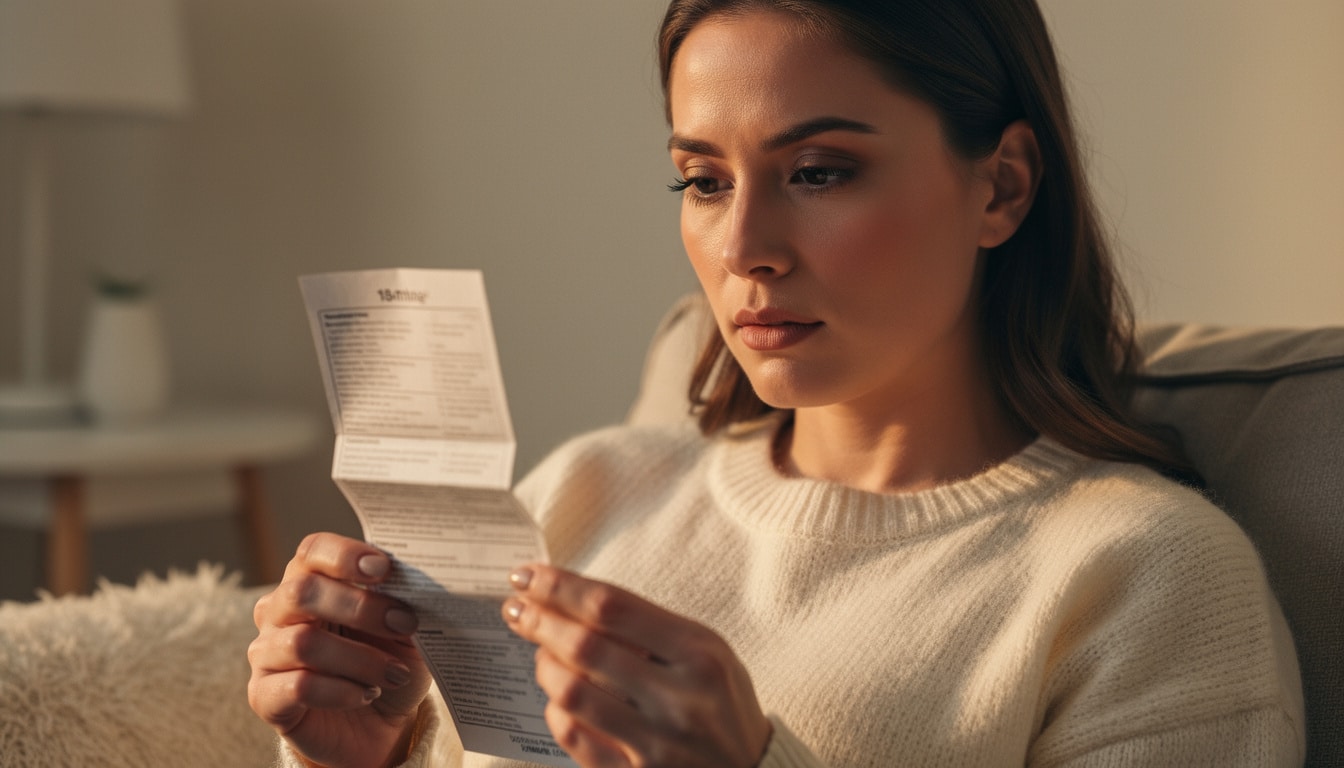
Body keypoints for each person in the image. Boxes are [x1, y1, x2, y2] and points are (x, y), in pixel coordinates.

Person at [248, 1, 1305, 765]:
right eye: (704, 181)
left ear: (1004, 185)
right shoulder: (583, 494)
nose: (746, 244)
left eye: (819, 172)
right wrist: (360, 759)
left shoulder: (1143, 577)